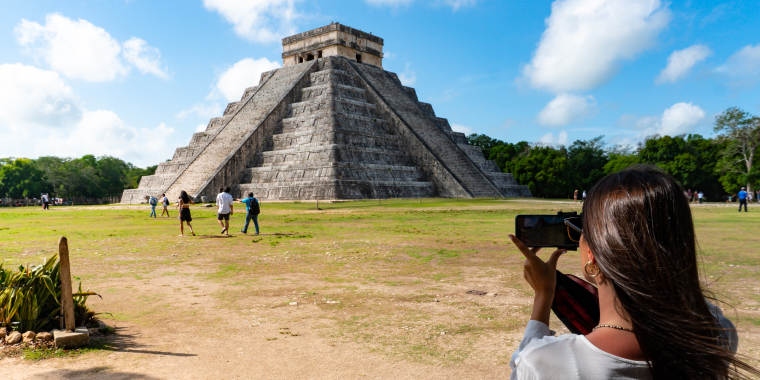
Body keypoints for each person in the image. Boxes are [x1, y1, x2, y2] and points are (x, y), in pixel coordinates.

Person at [508, 165, 758, 380]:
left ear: (591, 255)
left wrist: (543, 296)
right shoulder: (718, 334)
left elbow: (523, 367)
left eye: (582, 229)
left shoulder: (548, 361)